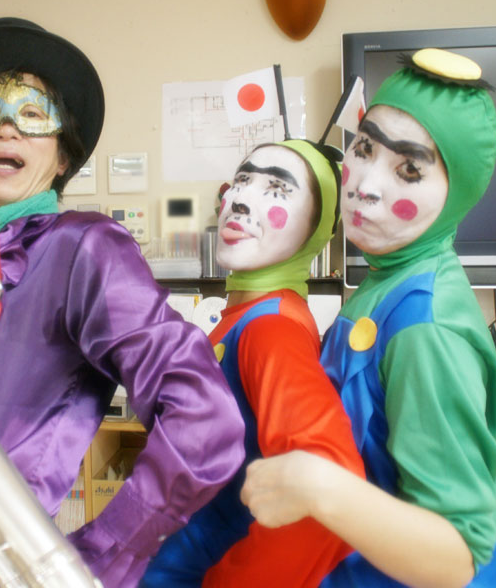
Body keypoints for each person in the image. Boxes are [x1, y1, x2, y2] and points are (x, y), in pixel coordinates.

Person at [0, 17, 246, 587]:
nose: (7, 129)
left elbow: (205, 420)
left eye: (34, 115)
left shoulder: (83, 246)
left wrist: (94, 556)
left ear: (62, 158)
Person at [240, 49, 496, 588]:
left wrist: (318, 485)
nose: (364, 184)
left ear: (456, 195)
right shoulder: (386, 279)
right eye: (363, 148)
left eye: (408, 169)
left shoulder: (427, 329)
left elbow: (459, 556)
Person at [140, 139, 365, 587]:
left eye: (277, 190)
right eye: (242, 181)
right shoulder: (247, 315)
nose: (241, 200)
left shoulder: (271, 329)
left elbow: (323, 501)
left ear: (315, 231)